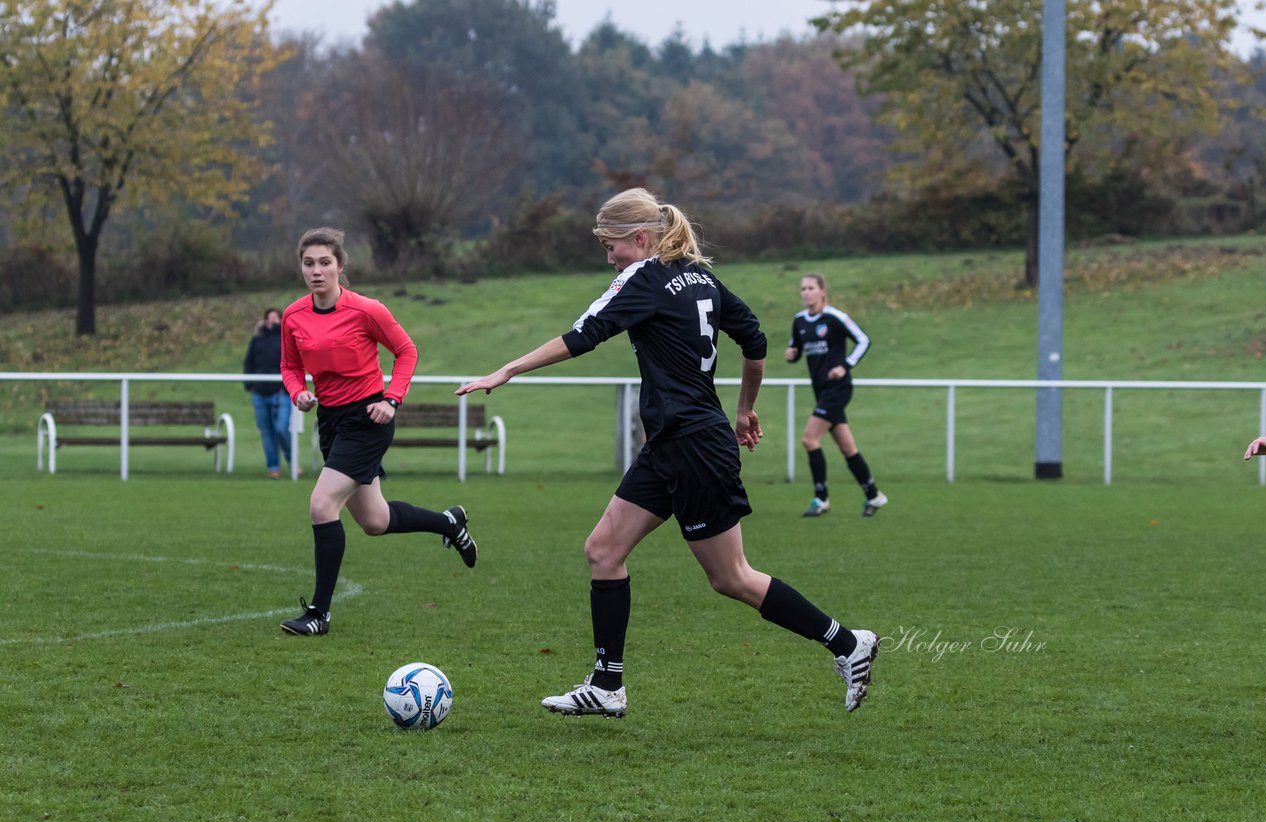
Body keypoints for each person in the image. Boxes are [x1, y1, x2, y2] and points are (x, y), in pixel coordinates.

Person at [457, 188, 879, 716]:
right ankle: (607, 685)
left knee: (732, 577)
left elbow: (584, 334)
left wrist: (507, 370)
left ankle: (847, 643)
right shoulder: (701, 276)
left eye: (611, 245)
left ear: (639, 238)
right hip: (673, 443)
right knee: (603, 551)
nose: (607, 257)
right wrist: (744, 410)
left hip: (694, 447)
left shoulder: (645, 276)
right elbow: (755, 340)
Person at [277, 227, 476, 637]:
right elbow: (290, 366)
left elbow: (407, 351)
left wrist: (392, 399)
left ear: (340, 266)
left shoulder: (367, 310)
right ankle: (449, 523)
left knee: (320, 505)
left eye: (325, 263)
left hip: (368, 420)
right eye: (308, 263)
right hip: (330, 420)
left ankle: (319, 613)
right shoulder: (293, 316)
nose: (316, 271)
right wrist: (298, 393)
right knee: (374, 520)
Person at [784, 273, 888, 518]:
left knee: (809, 439)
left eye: (811, 288)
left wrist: (845, 365)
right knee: (847, 446)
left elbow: (863, 340)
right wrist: (792, 354)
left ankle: (821, 499)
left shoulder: (835, 317)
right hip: (820, 390)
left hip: (838, 389)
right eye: (803, 288)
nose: (806, 292)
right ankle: (874, 495)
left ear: (822, 291)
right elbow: (795, 348)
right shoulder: (799, 321)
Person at [243, 308, 295, 478]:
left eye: (275, 317)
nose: (271, 320)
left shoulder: (286, 339)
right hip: (259, 392)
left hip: (280, 392)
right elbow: (248, 362)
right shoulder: (257, 340)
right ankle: (273, 467)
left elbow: (294, 362)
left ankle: (292, 460)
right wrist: (249, 384)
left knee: (281, 428)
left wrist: (290, 386)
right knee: (266, 431)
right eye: (268, 317)